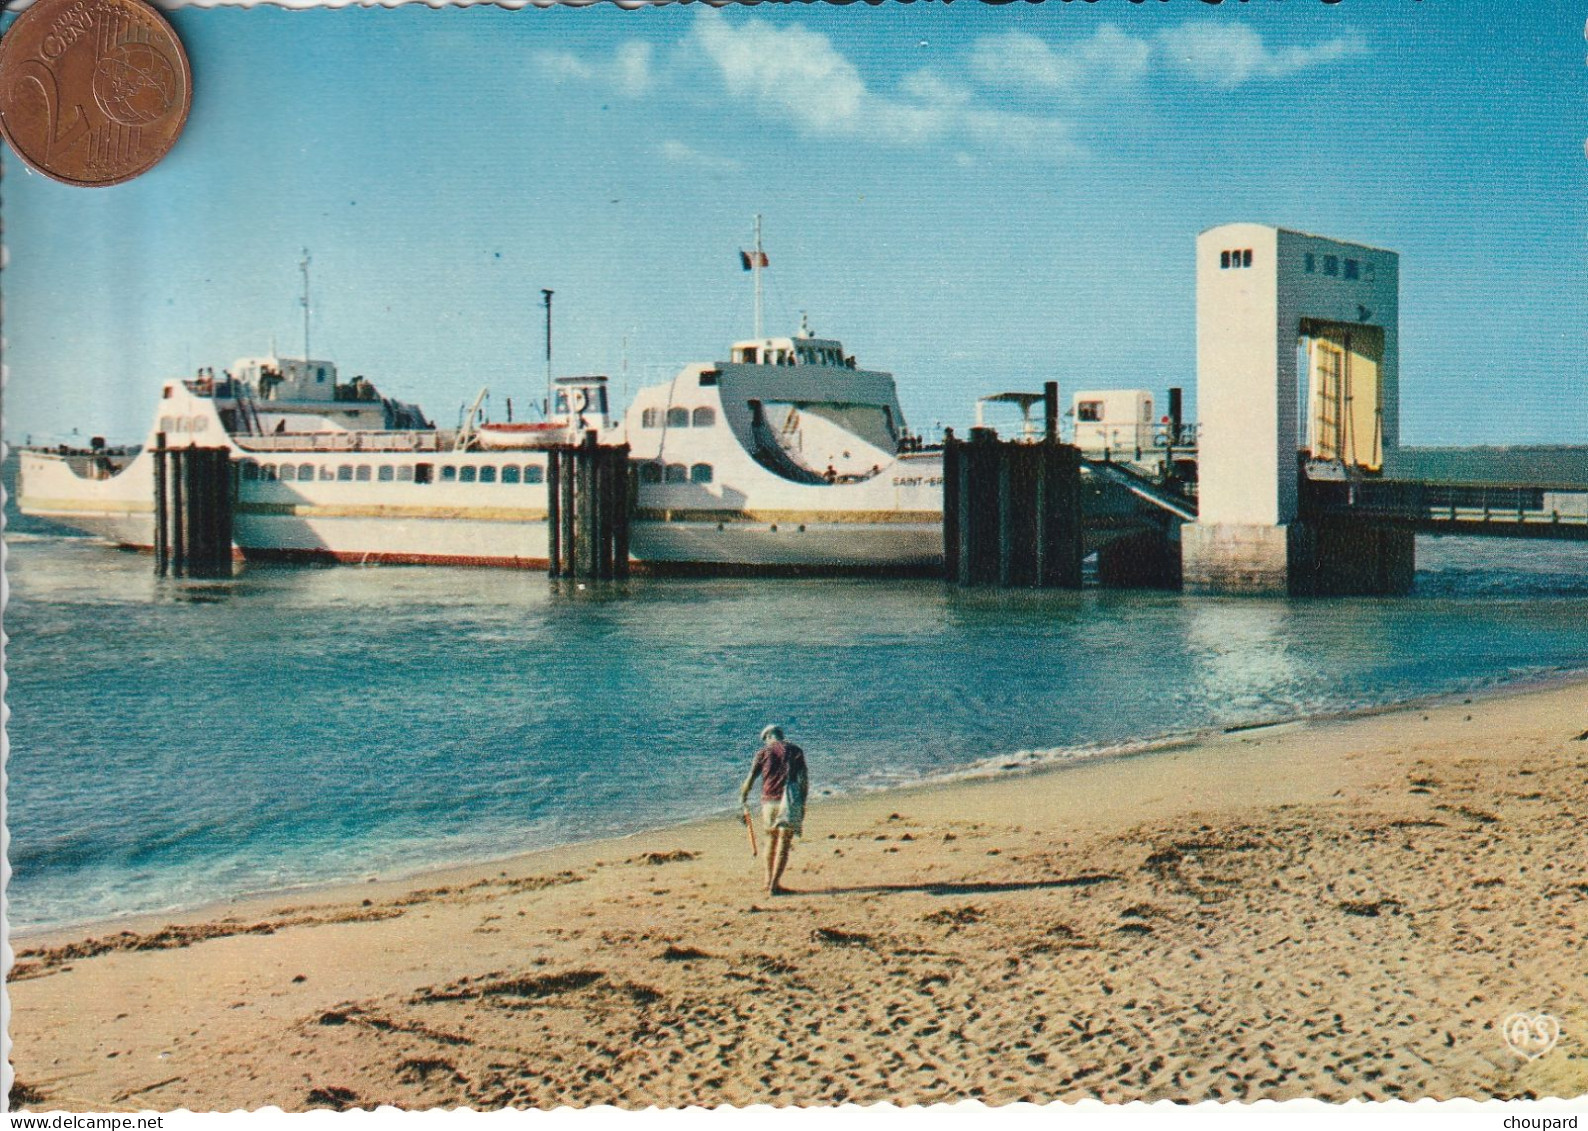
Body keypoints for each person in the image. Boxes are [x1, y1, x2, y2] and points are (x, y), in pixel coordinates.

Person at [739, 724, 808, 896]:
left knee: (770, 841)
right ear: (780, 735)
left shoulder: (762, 753)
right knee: (784, 844)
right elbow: (804, 780)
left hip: (768, 802)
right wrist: (803, 802)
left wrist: (743, 797)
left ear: (768, 737)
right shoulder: (795, 750)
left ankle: (767, 881)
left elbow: (749, 780)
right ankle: (774, 886)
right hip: (789, 800)